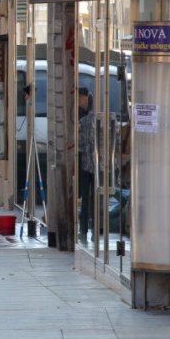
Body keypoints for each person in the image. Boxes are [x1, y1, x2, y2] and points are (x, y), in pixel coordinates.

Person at [78, 87, 95, 243]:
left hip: (86, 163)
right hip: (96, 163)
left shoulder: (84, 121)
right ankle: (93, 228)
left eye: (80, 98)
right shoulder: (88, 117)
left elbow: (80, 144)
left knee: (87, 197)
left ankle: (84, 229)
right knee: (92, 196)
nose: (78, 102)